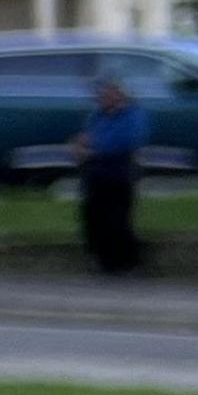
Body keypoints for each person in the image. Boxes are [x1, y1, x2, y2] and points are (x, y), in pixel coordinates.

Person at [71, 69, 149, 275]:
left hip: (118, 173)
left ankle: (127, 262)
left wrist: (93, 150)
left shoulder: (132, 115)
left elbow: (127, 141)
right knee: (93, 218)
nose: (103, 97)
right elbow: (86, 138)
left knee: (117, 218)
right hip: (95, 174)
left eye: (108, 92)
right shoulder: (97, 115)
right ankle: (103, 260)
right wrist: (81, 148)